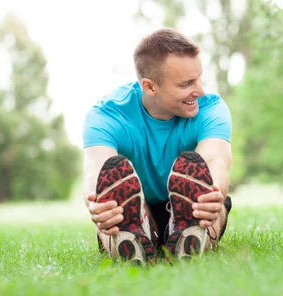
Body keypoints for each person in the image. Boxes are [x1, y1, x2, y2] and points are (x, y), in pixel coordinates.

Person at [82, 29, 232, 264]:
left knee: (212, 200)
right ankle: (134, 235)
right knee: (113, 211)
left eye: (199, 78)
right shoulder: (107, 115)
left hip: (189, 207)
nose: (200, 90)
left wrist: (212, 194)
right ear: (150, 87)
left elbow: (216, 159)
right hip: (134, 206)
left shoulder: (211, 108)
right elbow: (95, 168)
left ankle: (189, 234)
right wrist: (98, 204)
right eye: (187, 84)